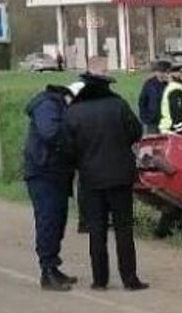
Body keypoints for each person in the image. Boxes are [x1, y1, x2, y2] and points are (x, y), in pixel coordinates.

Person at [61, 72, 147, 292]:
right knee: (123, 229)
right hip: (120, 177)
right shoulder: (118, 105)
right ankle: (130, 279)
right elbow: (136, 132)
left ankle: (100, 280)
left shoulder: (73, 112)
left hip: (91, 179)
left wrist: (81, 162)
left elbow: (67, 148)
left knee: (97, 230)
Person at [20, 82, 78, 291]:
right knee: (48, 220)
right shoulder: (47, 106)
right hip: (43, 173)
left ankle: (53, 266)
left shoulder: (54, 106)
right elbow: (51, 133)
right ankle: (47, 271)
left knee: (57, 220)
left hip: (55, 172)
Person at [137, 60, 172, 131]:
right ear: (156, 72)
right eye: (160, 72)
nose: (162, 75)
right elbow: (142, 101)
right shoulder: (149, 84)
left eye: (165, 72)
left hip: (168, 122)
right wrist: (145, 117)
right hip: (152, 122)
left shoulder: (172, 85)